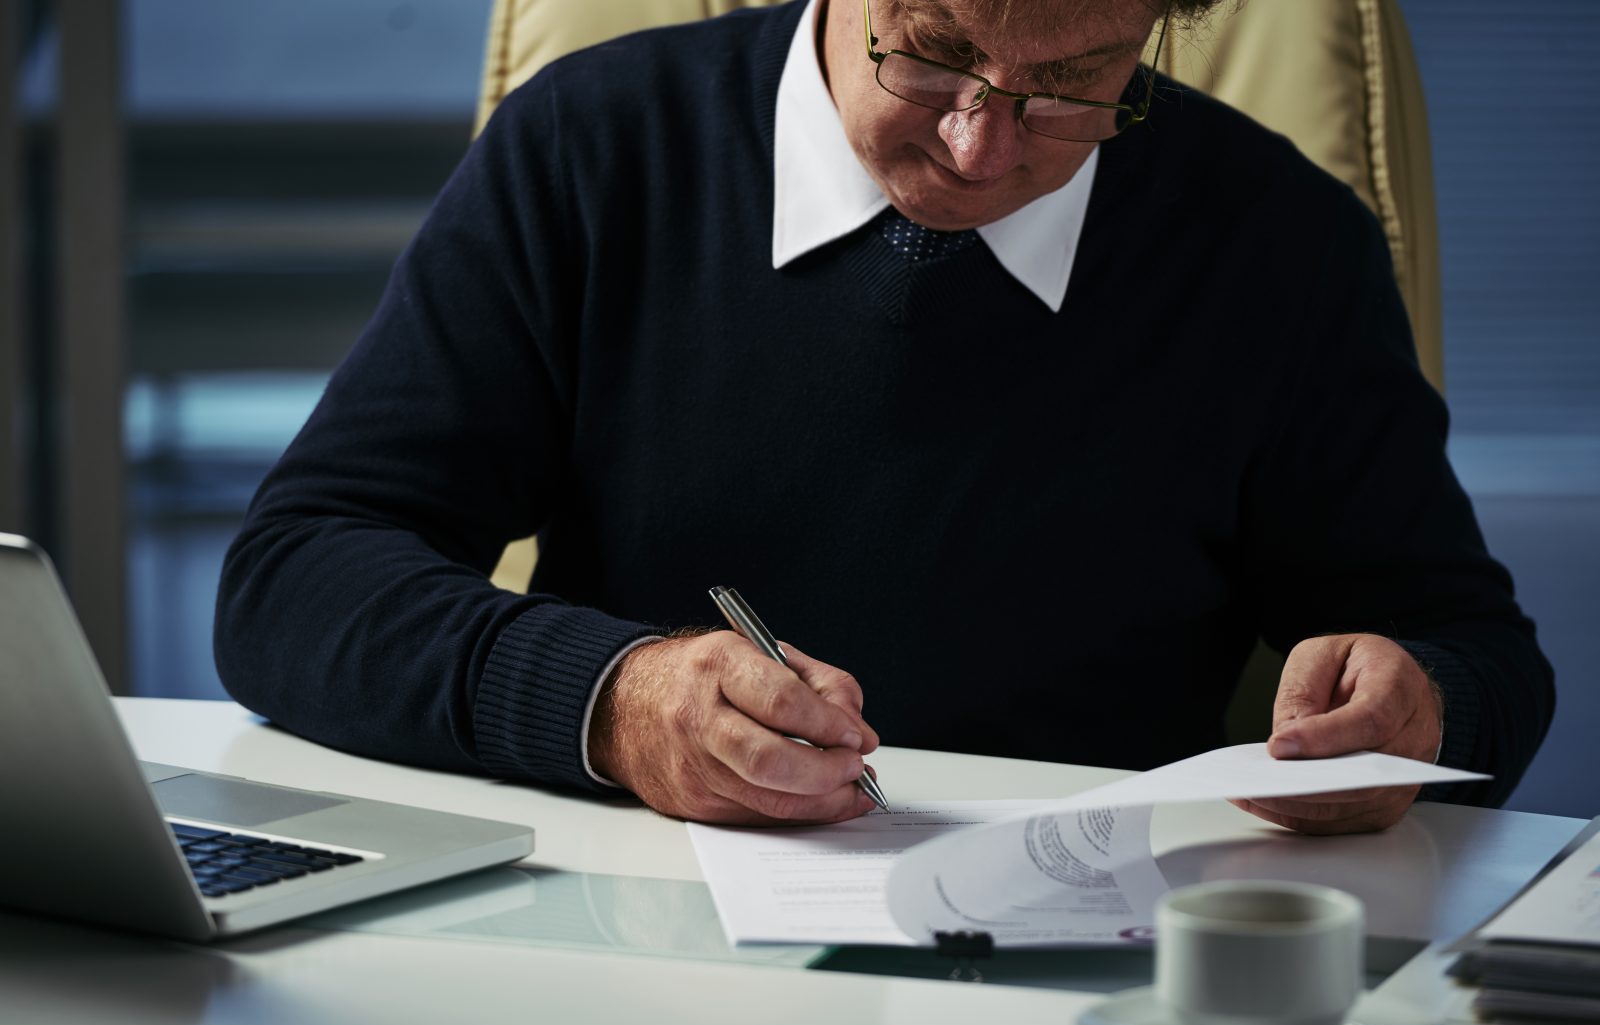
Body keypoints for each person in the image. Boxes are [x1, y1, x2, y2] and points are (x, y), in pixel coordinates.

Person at [214, 0, 1554, 835]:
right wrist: (621, 702)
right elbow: (294, 579)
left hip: (1076, 972)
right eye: (935, 53)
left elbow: (1478, 653)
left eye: (1077, 82)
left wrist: (1420, 714)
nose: (983, 145)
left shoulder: (1279, 242)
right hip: (626, 927)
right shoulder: (598, 145)